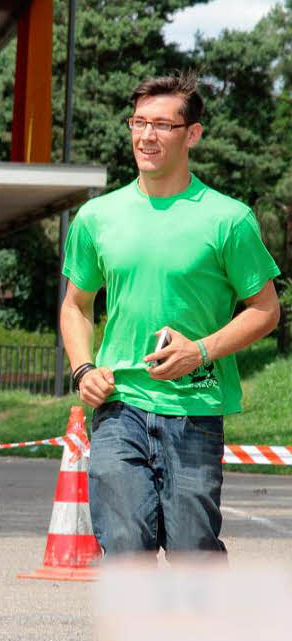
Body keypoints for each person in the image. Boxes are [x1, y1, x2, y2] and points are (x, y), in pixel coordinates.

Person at [60, 72, 280, 558]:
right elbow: (76, 305)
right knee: (124, 545)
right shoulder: (98, 217)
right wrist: (83, 368)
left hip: (195, 409)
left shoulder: (227, 219)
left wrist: (199, 350)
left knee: (191, 551)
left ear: (192, 134)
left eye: (161, 124)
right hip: (119, 405)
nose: (146, 136)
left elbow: (265, 311)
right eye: (138, 122)